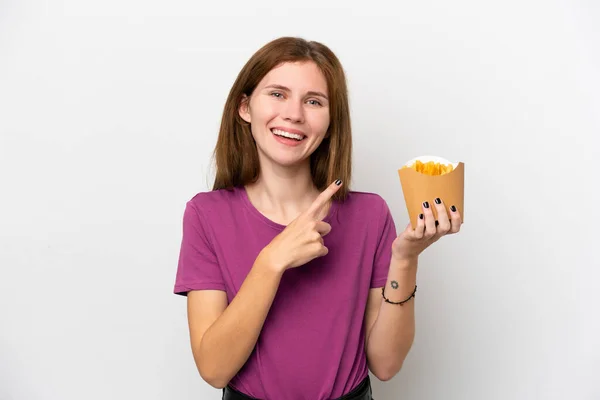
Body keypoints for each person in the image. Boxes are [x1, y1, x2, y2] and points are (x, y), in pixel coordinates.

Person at [173, 36, 462, 400]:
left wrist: (405, 259)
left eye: (313, 101)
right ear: (244, 108)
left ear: (329, 122)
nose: (294, 113)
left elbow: (386, 365)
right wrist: (271, 261)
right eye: (277, 94)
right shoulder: (206, 215)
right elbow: (215, 370)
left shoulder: (369, 215)